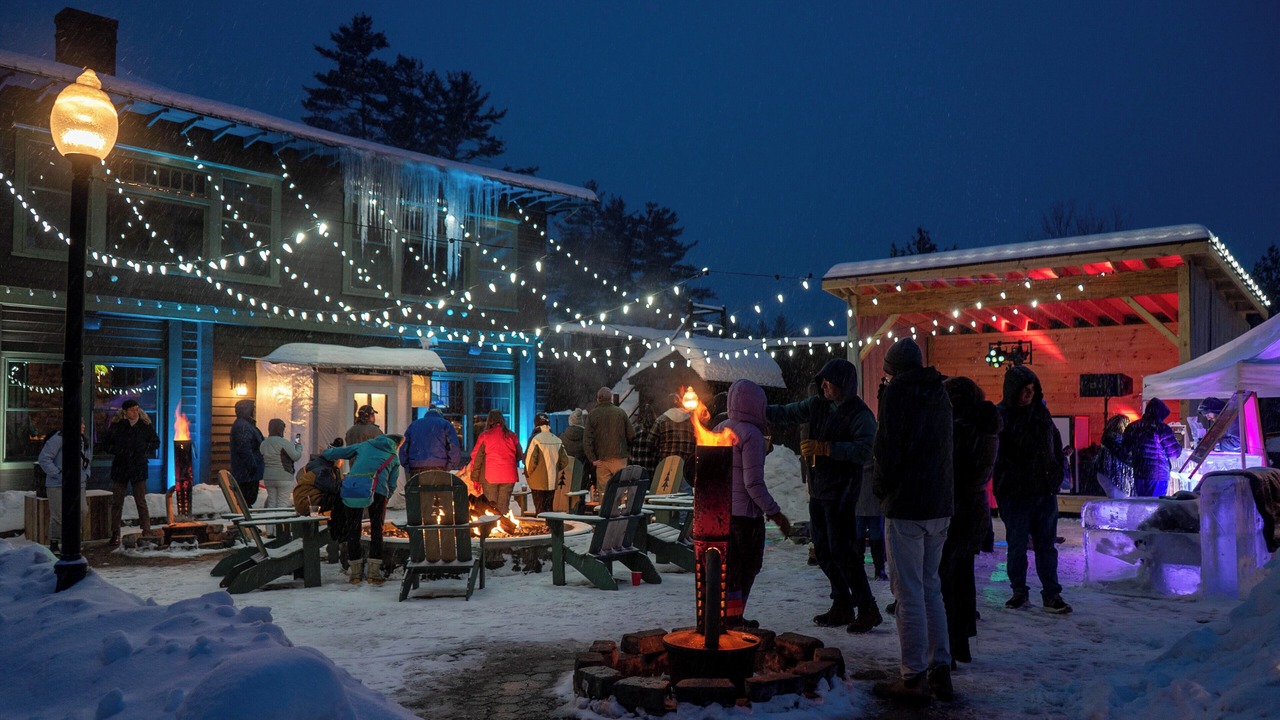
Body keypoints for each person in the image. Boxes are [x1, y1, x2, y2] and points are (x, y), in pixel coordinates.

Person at [765, 357, 878, 633]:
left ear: (845, 385)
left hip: (841, 492)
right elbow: (788, 412)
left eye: (830, 381)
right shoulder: (817, 405)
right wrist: (755, 408)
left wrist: (828, 449)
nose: (825, 385)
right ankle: (841, 604)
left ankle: (867, 607)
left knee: (844, 551)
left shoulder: (860, 415)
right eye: (823, 381)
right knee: (824, 550)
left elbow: (865, 451)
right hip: (818, 490)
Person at [871, 338, 954, 704]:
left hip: (907, 506)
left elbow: (888, 450)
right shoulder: (940, 394)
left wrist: (881, 489)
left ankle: (913, 676)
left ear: (893, 370)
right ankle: (940, 669)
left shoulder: (898, 396)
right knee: (931, 587)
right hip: (939, 504)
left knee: (907, 593)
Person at [994, 365, 1071, 614]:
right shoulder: (1001, 415)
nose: (1028, 394)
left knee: (1046, 546)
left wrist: (1057, 471)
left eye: (1031, 390)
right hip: (1015, 494)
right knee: (1017, 545)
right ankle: (1019, 590)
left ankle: (1051, 593)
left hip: (1043, 492)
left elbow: (1055, 445)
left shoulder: (1041, 414)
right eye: (1024, 390)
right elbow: (997, 453)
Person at [716, 379, 791, 629]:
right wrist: (776, 513)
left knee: (730, 571)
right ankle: (735, 618)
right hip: (745, 518)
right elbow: (753, 484)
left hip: (721, 514)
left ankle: (730, 616)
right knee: (747, 568)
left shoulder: (718, 428)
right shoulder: (752, 435)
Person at [939, 376, 1001, 667]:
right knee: (962, 579)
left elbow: (950, 467)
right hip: (973, 510)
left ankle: (949, 646)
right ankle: (960, 643)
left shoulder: (961, 430)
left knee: (946, 581)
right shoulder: (983, 426)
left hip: (957, 509)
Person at [323, 433, 403, 585]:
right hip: (377, 491)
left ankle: (355, 574)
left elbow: (339, 453)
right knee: (377, 529)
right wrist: (385, 497)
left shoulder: (365, 445)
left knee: (353, 528)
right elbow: (392, 484)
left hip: (353, 488)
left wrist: (328, 452)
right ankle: (373, 573)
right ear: (397, 445)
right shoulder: (393, 458)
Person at [103, 399, 160, 545]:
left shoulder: (144, 426)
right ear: (125, 412)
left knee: (140, 500)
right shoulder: (117, 426)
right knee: (117, 501)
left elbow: (155, 442)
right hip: (121, 467)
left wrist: (143, 449)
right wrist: (119, 451)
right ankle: (115, 531)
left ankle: (146, 529)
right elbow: (106, 444)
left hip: (138, 466)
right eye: (132, 410)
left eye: (137, 409)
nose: (135, 412)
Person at [38, 420, 91, 553]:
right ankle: (55, 542)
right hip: (57, 483)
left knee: (82, 510)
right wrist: (58, 474)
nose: (83, 426)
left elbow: (87, 459)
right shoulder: (58, 439)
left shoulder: (84, 441)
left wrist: (86, 474)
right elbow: (44, 458)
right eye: (81, 424)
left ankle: (73, 539)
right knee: (58, 514)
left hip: (78, 482)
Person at [1122, 398, 1182, 497]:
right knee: (1155, 505)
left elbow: (1125, 450)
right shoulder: (1162, 428)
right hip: (1158, 473)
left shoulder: (1133, 427)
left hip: (1139, 473)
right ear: (1161, 414)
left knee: (1142, 504)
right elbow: (1174, 453)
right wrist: (1179, 447)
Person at [469, 409, 523, 514]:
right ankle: (503, 525)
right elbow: (519, 455)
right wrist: (509, 461)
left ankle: (493, 526)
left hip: (490, 475)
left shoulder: (485, 436)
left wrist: (475, 478)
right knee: (503, 507)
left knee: (490, 507)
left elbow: (476, 457)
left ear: (489, 421)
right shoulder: (512, 436)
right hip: (509, 475)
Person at [584, 387, 634, 498]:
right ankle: (621, 512)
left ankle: (605, 511)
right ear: (611, 398)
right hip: (620, 458)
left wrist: (593, 459)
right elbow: (631, 435)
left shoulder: (593, 415)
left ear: (598, 399)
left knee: (604, 491)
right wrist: (627, 451)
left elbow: (587, 439)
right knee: (621, 488)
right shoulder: (620, 413)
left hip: (601, 460)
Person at [400, 404, 463, 474]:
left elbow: (404, 447)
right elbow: (454, 447)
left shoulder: (414, 425)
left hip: (416, 466)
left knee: (418, 484)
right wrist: (449, 466)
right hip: (439, 466)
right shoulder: (446, 425)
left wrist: (407, 465)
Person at [652, 393, 697, 488]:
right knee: (685, 497)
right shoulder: (693, 421)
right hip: (686, 466)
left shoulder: (661, 420)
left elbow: (650, 442)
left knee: (664, 496)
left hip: (665, 465)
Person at [525, 413, 566, 514]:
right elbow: (565, 461)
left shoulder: (535, 439)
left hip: (537, 481)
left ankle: (542, 528)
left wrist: (528, 473)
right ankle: (551, 528)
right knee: (549, 508)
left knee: (540, 509)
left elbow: (530, 461)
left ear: (536, 424)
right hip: (552, 480)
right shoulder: (557, 439)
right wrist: (555, 468)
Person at [854, 464, 887, 582]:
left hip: (865, 501)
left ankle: (869, 570)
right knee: (873, 537)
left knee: (863, 537)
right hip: (871, 502)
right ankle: (878, 570)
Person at [259, 419, 302, 509]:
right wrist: (298, 445)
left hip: (268, 477)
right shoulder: (284, 443)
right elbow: (296, 456)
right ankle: (280, 523)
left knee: (271, 503)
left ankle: (269, 523)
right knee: (282, 504)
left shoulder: (263, 443)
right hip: (284, 477)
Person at [230, 398, 265, 506]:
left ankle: (246, 520)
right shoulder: (243, 426)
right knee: (246, 500)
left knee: (247, 501)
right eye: (252, 408)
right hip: (246, 474)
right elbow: (244, 448)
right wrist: (252, 466)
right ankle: (245, 521)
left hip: (247, 473)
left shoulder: (245, 425)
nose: (254, 411)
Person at [1096, 415, 1134, 498]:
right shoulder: (1116, 441)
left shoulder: (1109, 440)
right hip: (1114, 474)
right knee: (1119, 502)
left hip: (1108, 474)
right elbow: (1125, 456)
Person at [629, 404, 659, 474]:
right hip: (651, 465)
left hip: (636, 465)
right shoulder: (656, 428)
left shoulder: (634, 428)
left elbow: (628, 443)